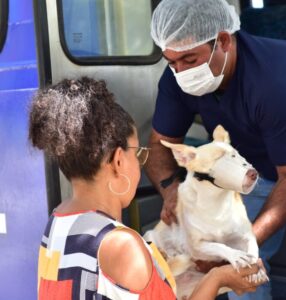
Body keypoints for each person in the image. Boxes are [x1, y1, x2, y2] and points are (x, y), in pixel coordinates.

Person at [144, 0, 286, 299]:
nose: (180, 72)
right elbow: (158, 145)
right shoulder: (177, 78)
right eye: (171, 62)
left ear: (223, 40)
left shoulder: (277, 79)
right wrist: (172, 192)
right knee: (240, 278)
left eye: (190, 60)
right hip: (252, 168)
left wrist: (238, 246)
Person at [31, 77, 265, 299]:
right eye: (139, 154)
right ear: (119, 161)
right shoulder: (122, 246)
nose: (140, 164)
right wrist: (217, 278)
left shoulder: (58, 220)